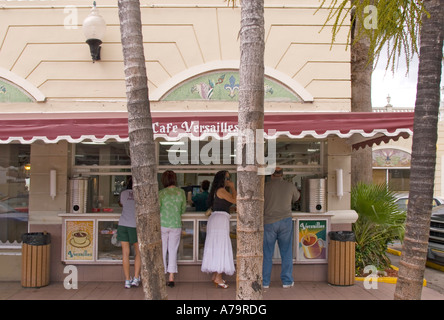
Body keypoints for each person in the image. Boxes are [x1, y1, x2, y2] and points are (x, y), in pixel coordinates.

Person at [263, 167, 300, 289]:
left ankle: (265, 282)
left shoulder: (265, 186)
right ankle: (287, 281)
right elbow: (297, 198)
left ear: (271, 175)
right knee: (286, 252)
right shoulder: (289, 186)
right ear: (282, 175)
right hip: (285, 221)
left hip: (269, 221)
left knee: (267, 253)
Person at [201, 170, 236, 289]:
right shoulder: (221, 191)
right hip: (220, 221)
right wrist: (233, 187)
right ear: (222, 180)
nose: (228, 180)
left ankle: (216, 275)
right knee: (221, 246)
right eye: (227, 178)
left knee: (217, 246)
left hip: (216, 219)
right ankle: (218, 277)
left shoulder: (216, 191)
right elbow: (235, 200)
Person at [159, 170, 186, 287]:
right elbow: (183, 209)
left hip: (163, 224)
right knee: (173, 250)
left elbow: (158, 209)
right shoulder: (181, 192)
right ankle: (171, 277)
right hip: (175, 224)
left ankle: (161, 275)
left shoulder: (161, 193)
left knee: (162, 250)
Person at [117, 177, 141, 289]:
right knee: (138, 252)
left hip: (123, 224)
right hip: (135, 225)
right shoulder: (140, 193)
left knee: (125, 253)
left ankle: (127, 280)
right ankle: (136, 278)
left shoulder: (123, 193)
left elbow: (122, 204)